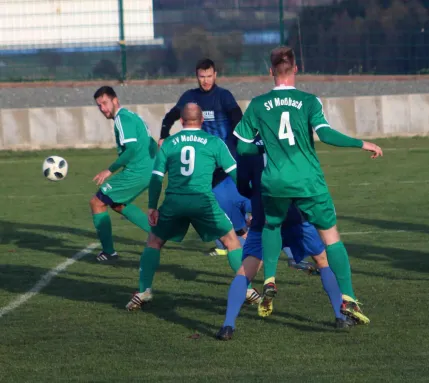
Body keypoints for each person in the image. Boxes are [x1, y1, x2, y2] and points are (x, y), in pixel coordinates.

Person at [218, 46, 382, 339]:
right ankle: (346, 299)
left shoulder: (257, 104)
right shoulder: (308, 101)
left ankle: (269, 278)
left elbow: (241, 147)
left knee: (269, 226)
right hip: (308, 183)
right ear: (295, 69)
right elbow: (327, 135)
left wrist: (262, 147)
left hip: (275, 185)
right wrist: (361, 143)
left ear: (270, 72)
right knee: (330, 239)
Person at [215, 138, 355, 340]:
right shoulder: (293, 145)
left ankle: (228, 326)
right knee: (322, 260)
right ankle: (340, 316)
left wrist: (256, 199)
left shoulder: (248, 150)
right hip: (295, 214)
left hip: (263, 215)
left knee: (246, 269)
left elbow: (242, 185)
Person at [126, 103, 252, 311]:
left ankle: (144, 290)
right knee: (231, 241)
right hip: (203, 201)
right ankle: (245, 288)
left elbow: (157, 178)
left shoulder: (168, 143)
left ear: (181, 121)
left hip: (175, 202)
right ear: (202, 121)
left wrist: (151, 206)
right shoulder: (214, 142)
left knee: (154, 241)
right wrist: (252, 196)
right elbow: (235, 173)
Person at [159, 58, 250, 257]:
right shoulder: (190, 97)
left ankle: (242, 236)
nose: (206, 80)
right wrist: (164, 134)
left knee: (228, 200)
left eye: (209, 76)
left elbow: (237, 117)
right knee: (215, 202)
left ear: (215, 75)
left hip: (226, 160)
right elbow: (170, 116)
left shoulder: (224, 96)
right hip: (205, 163)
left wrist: (240, 140)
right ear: (197, 76)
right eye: (202, 76)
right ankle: (231, 240)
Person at [91, 86, 157, 263]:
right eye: (99, 106)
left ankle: (109, 252)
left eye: (105, 103)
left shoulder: (122, 119)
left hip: (137, 172)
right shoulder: (133, 116)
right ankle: (156, 234)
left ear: (115, 100)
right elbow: (151, 142)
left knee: (97, 202)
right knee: (118, 204)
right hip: (147, 171)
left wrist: (109, 170)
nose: (103, 108)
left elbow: (132, 149)